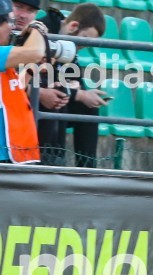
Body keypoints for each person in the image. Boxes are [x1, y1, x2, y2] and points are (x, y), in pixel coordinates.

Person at [36, 3, 107, 167]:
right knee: (60, 97)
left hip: (55, 96)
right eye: (84, 41)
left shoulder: (71, 42)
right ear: (73, 26)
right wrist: (75, 91)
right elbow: (45, 80)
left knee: (88, 107)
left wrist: (79, 91)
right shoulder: (43, 30)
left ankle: (88, 170)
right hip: (35, 97)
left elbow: (77, 82)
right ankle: (52, 163)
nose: (82, 47)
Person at [0, 0, 45, 163]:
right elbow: (35, 52)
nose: (12, 28)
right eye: (9, 22)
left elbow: (14, 91)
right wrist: (37, 29)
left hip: (14, 155)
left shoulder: (5, 58)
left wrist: (32, 69)